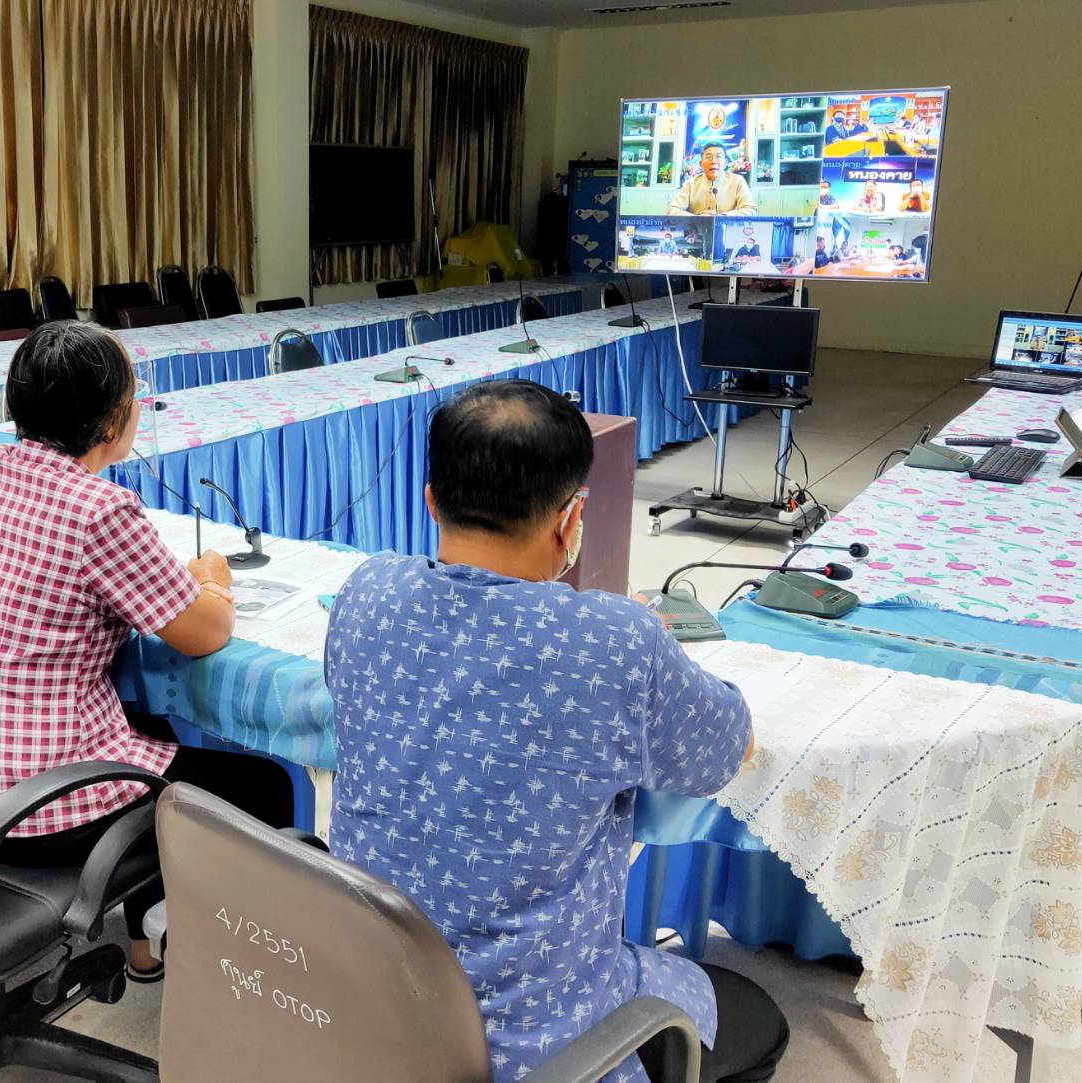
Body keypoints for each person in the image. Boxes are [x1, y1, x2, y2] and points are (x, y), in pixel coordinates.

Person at [325, 381, 787, 1083]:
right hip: (530, 1033)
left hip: (368, 995)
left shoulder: (367, 591)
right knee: (734, 1009)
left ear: (429, 501)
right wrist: (652, 655)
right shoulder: (611, 640)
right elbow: (725, 749)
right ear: (570, 519)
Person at [0, 321, 292, 982]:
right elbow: (204, 631)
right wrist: (213, 579)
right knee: (261, 783)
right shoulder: (100, 510)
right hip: (37, 807)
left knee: (145, 726)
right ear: (116, 418)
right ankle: (239, 979)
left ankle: (147, 947)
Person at [666, 142, 757, 216]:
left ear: (725, 163)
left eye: (718, 156)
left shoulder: (737, 181)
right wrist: (698, 219)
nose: (713, 161)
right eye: (709, 157)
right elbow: (673, 210)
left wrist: (723, 217)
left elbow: (750, 210)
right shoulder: (691, 183)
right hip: (696, 232)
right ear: (701, 163)